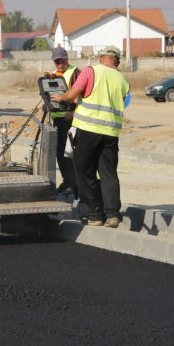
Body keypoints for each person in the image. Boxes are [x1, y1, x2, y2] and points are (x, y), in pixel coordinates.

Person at [52, 46, 130, 228]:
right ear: (117, 61)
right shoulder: (122, 79)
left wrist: (62, 97)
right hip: (111, 133)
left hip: (88, 129)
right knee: (108, 173)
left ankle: (94, 215)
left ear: (101, 58)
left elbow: (74, 93)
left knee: (84, 171)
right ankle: (112, 215)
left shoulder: (90, 71)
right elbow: (121, 102)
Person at [47, 46, 79, 198]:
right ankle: (68, 181)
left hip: (72, 120)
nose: (60, 65)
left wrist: (73, 112)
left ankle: (75, 185)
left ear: (67, 59)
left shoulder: (75, 73)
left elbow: (83, 96)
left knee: (70, 154)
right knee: (60, 153)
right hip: (58, 120)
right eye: (57, 62)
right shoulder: (52, 75)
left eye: (62, 61)